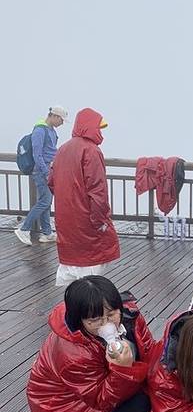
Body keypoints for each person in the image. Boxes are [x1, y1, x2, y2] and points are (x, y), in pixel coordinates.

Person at [2, 276, 163, 412]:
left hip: (102, 390)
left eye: (111, 314)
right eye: (95, 320)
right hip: (66, 409)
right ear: (79, 320)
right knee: (141, 403)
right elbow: (102, 400)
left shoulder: (130, 316)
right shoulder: (72, 352)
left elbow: (150, 351)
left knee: (157, 391)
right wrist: (123, 369)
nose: (107, 324)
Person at [48, 108, 120, 287]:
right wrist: (100, 221)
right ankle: (87, 301)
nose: (100, 132)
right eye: (99, 127)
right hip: (86, 218)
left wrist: (68, 198)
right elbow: (98, 191)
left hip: (65, 217)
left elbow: (51, 182)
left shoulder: (62, 149)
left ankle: (73, 300)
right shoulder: (91, 151)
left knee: (72, 263)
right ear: (91, 127)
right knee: (91, 266)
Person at [14, 106, 68, 245]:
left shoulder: (51, 130)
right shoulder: (39, 130)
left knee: (46, 202)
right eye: (61, 120)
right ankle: (24, 229)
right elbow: (37, 155)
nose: (62, 123)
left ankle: (47, 233)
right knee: (45, 201)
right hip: (41, 171)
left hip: (48, 170)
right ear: (54, 116)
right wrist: (46, 172)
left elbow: (50, 151)